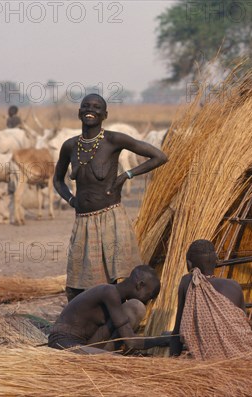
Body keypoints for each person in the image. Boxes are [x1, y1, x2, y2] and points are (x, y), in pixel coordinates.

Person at [53, 94, 168, 301]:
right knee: (78, 285)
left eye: (97, 107)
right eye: (86, 106)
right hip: (83, 223)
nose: (91, 110)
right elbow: (57, 180)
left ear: (104, 115)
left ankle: (121, 322)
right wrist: (71, 200)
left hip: (112, 219)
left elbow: (160, 156)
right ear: (79, 112)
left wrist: (126, 175)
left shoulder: (113, 140)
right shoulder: (70, 146)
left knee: (122, 280)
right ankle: (87, 321)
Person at [169, 239, 252, 359]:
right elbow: (246, 327)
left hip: (207, 358)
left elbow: (178, 330)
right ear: (217, 261)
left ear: (189, 264)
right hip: (239, 355)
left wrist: (173, 359)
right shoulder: (234, 285)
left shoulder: (187, 282)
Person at [48, 265, 169, 353]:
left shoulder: (119, 300)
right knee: (114, 361)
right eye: (149, 296)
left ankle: (106, 354)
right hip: (64, 343)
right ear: (140, 285)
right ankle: (106, 355)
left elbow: (127, 337)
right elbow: (131, 341)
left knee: (134, 308)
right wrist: (161, 340)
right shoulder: (109, 292)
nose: (148, 302)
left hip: (86, 342)